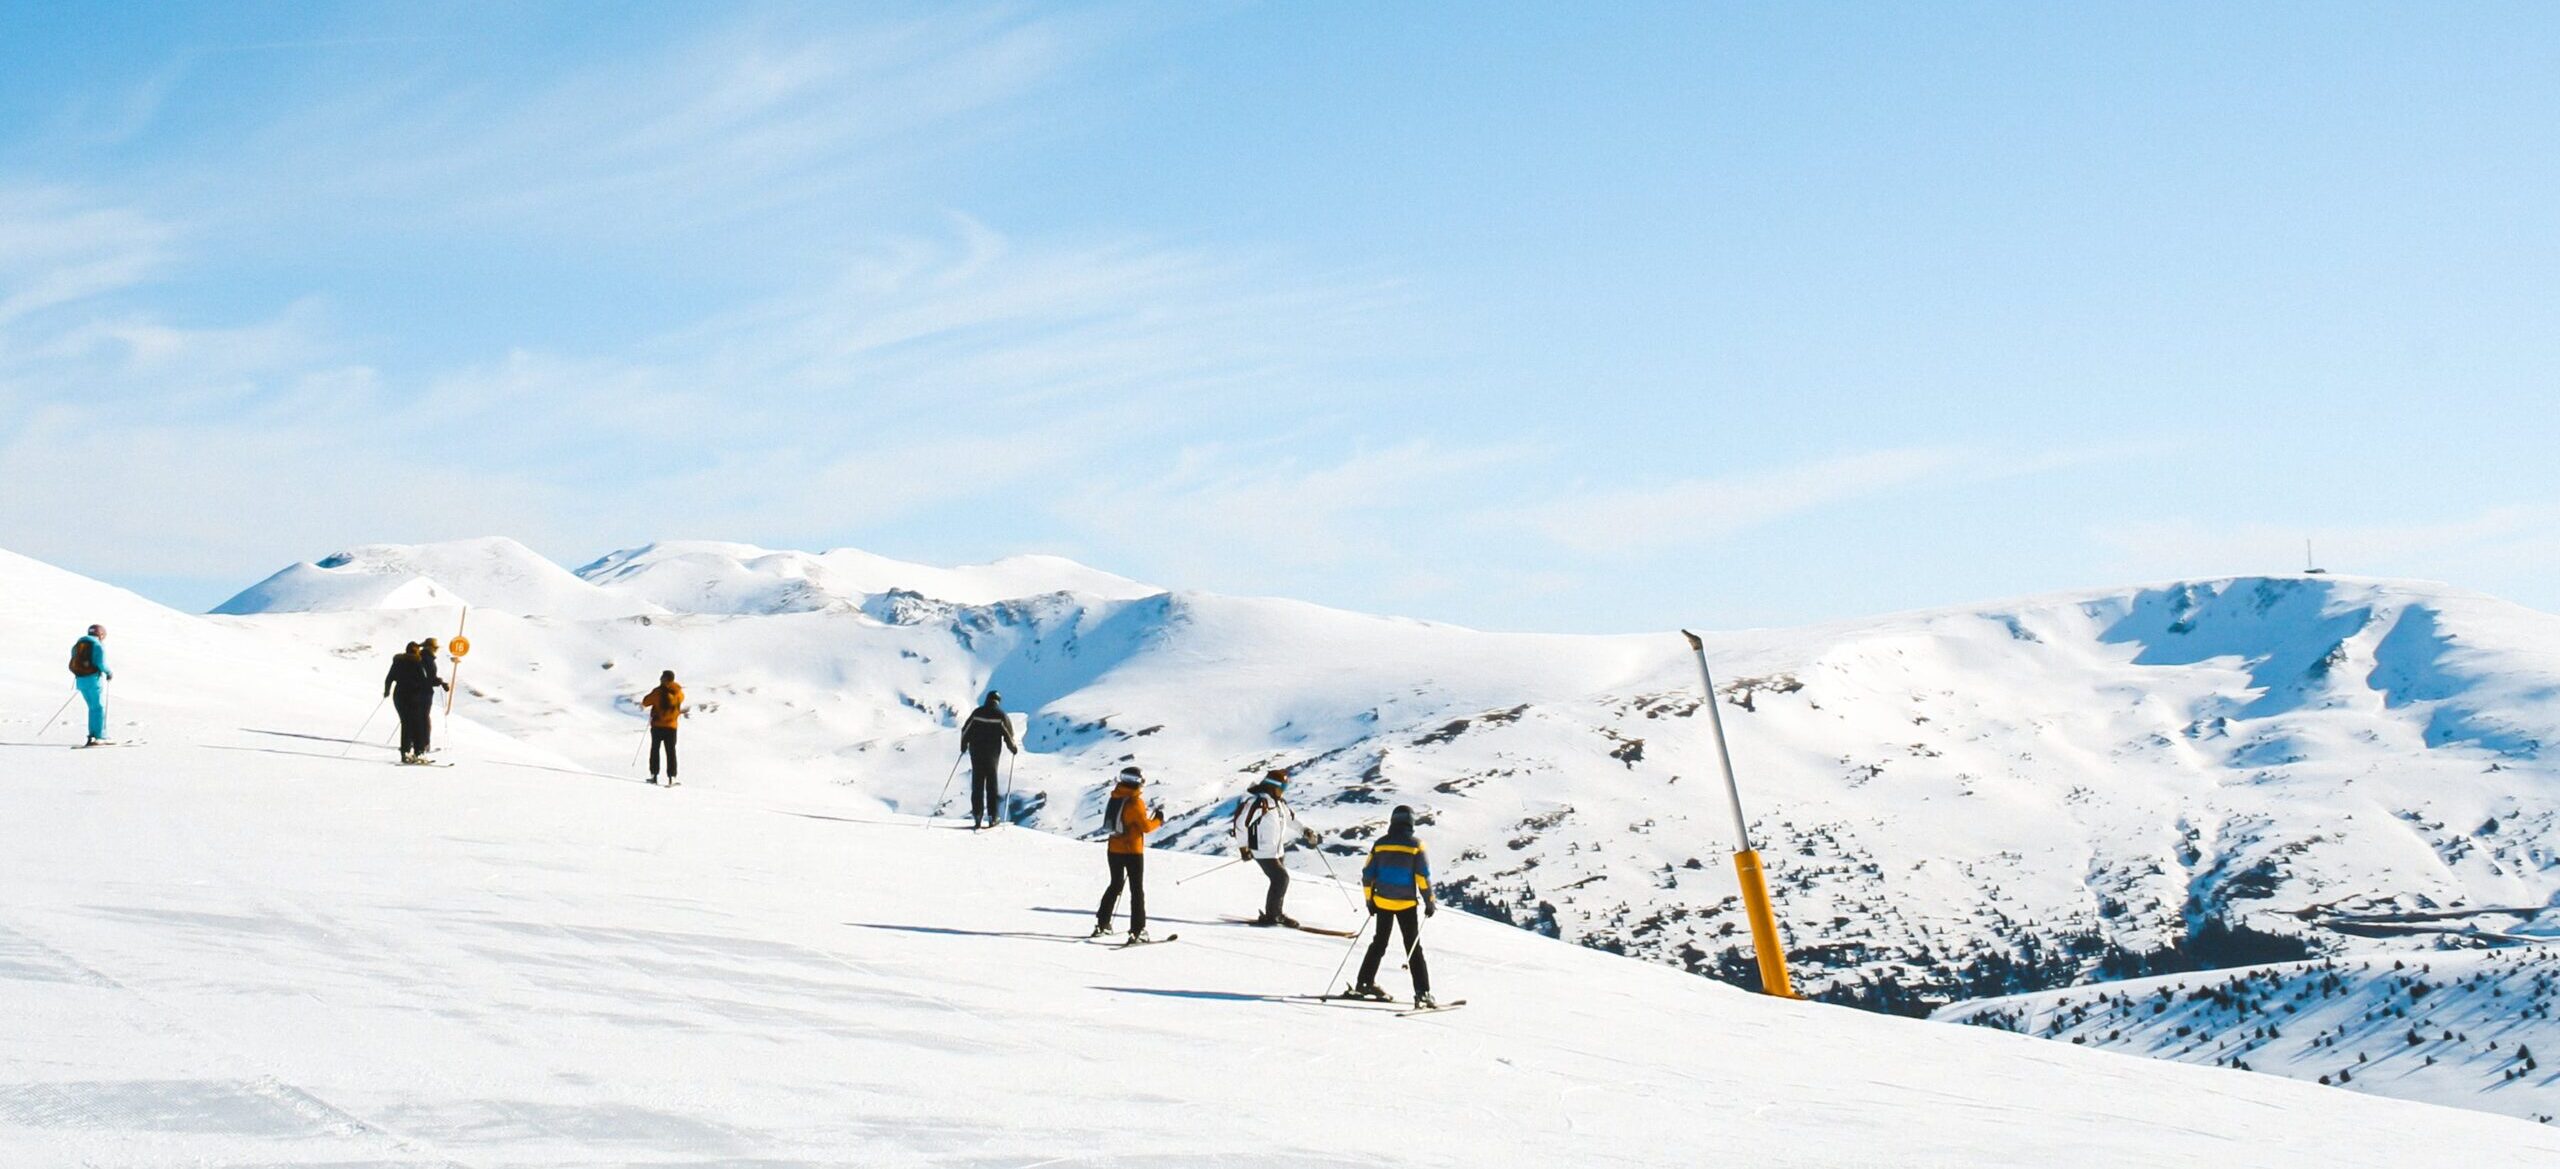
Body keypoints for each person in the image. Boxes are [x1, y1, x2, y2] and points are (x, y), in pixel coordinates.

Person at [1348, 804, 1436, 1007]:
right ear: (1411, 822)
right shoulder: (1416, 845)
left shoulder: (1380, 844)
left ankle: (1364, 983)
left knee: (1379, 943)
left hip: (1382, 902)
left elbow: (1367, 875)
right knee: (1413, 947)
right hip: (1406, 904)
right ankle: (1422, 993)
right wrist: (1429, 901)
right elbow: (1422, 877)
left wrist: (1369, 901)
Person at [1232, 768, 1320, 927]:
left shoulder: (1278, 803)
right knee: (1281, 879)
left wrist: (1304, 830)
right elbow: (1240, 824)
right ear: (1272, 786)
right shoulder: (1259, 803)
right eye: (1282, 787)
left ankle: (1275, 913)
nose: (1284, 791)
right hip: (1262, 850)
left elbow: (1291, 819)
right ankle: (1274, 915)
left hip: (1277, 851)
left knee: (1278, 881)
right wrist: (1243, 847)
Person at [1092, 765, 1164, 940]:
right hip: (1133, 851)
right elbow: (1146, 827)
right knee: (1136, 890)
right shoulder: (1135, 802)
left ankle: (1102, 924)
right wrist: (1158, 820)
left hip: (1113, 849)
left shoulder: (1115, 797)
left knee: (1115, 884)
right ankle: (1138, 931)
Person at [958, 690, 1020, 828]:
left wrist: (963, 746)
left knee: (977, 784)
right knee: (992, 785)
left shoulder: (977, 713)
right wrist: (1013, 748)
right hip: (992, 755)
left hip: (976, 753)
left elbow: (965, 730)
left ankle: (977, 815)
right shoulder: (1001, 716)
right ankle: (993, 817)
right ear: (998, 701)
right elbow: (1009, 736)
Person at [383, 638, 448, 764]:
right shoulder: (417, 662)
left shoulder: (398, 662)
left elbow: (389, 678)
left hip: (399, 696)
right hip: (413, 696)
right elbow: (424, 680)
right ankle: (419, 753)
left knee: (406, 723)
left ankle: (405, 753)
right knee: (417, 724)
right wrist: (439, 682)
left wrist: (387, 692)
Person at [68, 624, 112, 746]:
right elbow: (101, 664)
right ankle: (99, 736)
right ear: (101, 635)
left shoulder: (77, 645)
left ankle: (93, 735)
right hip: (94, 680)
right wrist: (109, 673)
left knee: (93, 708)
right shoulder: (98, 646)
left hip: (80, 681)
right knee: (98, 708)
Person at [640, 670, 684, 785]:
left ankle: (654, 776)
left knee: (655, 750)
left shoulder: (658, 692)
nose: (660, 679)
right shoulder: (679, 693)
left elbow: (645, 702)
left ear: (665, 679)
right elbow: (681, 701)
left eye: (662, 677)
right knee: (671, 752)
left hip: (658, 726)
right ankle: (672, 777)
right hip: (672, 726)